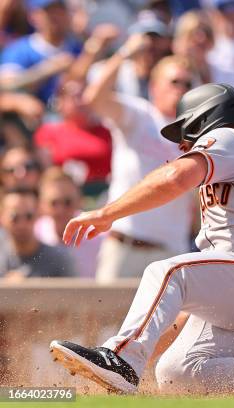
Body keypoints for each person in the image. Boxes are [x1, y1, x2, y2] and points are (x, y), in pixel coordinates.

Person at [49, 83, 234, 394]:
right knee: (176, 372)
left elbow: (174, 178)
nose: (182, 142)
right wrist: (148, 346)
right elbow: (199, 291)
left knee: (166, 270)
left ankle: (119, 359)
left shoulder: (230, 138)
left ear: (204, 119)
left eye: (185, 129)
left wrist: (107, 214)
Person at [82, 37, 193, 283]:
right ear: (154, 86)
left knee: (169, 323)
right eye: (175, 82)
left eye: (188, 84)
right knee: (106, 322)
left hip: (170, 253)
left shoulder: (196, 134)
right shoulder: (141, 115)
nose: (181, 89)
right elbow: (94, 98)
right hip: (125, 245)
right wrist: (124, 53)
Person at [34, 168, 101, 278]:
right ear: (42, 205)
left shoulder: (98, 233)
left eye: (67, 202)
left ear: (80, 201)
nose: (61, 210)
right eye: (54, 203)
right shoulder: (35, 234)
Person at [0, 188, 74, 279]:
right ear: (1, 217)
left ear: (38, 215)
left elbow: (74, 292)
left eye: (29, 216)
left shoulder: (60, 259)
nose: (22, 224)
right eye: (14, 217)